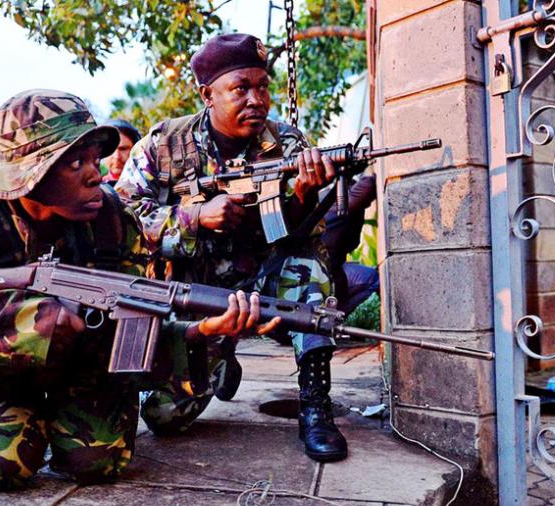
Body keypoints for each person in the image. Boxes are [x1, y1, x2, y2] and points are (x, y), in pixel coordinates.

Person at [0, 89, 276, 492]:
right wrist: (24, 324)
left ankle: (49, 410)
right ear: (30, 176)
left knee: (98, 462)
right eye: (76, 163)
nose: (97, 174)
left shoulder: (115, 221)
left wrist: (199, 333)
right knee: (5, 465)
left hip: (81, 356)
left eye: (95, 158)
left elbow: (130, 333)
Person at [116, 33, 348, 462]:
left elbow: (302, 234)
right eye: (241, 88)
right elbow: (123, 218)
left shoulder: (288, 145)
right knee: (165, 418)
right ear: (207, 94)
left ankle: (316, 406)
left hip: (264, 276)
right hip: (196, 294)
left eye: (263, 86)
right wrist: (194, 218)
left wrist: (302, 195)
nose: (257, 99)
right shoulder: (162, 145)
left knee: (307, 271)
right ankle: (221, 360)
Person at [321, 174, 380, 315]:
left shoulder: (320, 200)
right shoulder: (335, 206)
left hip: (323, 272)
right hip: (322, 281)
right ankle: (335, 318)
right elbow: (369, 185)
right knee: (372, 278)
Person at [101, 119, 141, 185]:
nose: (117, 156)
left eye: (123, 149)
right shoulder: (95, 190)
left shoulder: (151, 184)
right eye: (111, 149)